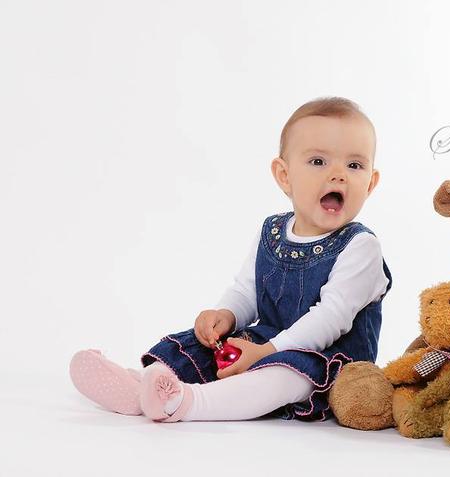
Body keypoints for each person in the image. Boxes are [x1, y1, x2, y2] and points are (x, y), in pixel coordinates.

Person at [69, 97, 392, 423]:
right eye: (318, 161)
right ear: (284, 175)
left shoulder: (361, 246)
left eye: (354, 166)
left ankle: (189, 402)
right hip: (266, 343)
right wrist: (225, 315)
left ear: (371, 183)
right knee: (205, 346)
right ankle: (140, 386)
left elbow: (331, 318)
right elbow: (247, 291)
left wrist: (268, 352)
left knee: (286, 375)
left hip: (328, 361)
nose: (338, 176)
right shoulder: (272, 231)